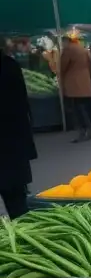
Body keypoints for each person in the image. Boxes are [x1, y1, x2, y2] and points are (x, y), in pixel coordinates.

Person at [0, 49, 37, 218]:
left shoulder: (8, 65)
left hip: (10, 144)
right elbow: (23, 105)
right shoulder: (9, 65)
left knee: (16, 200)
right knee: (17, 204)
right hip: (13, 145)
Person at [59, 34, 91, 143]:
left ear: (66, 41)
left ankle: (83, 132)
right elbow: (90, 64)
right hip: (85, 82)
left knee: (78, 109)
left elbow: (63, 66)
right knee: (84, 107)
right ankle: (90, 130)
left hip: (74, 83)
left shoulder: (68, 50)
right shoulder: (83, 49)